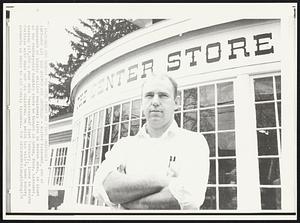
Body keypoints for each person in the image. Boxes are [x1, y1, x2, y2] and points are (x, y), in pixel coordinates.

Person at [93, 73, 209, 210]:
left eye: (163, 95)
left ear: (176, 102)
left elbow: (190, 198)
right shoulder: (124, 146)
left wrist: (128, 201)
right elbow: (102, 188)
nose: (155, 101)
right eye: (149, 95)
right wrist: (161, 181)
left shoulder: (193, 143)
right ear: (142, 103)